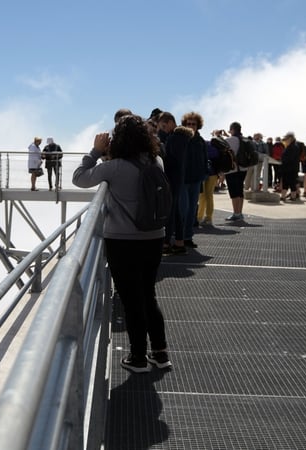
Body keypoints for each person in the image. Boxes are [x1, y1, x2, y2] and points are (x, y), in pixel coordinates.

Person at [72, 113, 171, 373]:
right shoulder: (157, 161)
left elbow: (80, 178)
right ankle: (160, 353)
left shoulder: (113, 168)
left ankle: (138, 357)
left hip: (122, 241)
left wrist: (95, 151)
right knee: (148, 294)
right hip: (154, 236)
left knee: (130, 300)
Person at [157, 111, 191, 255]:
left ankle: (166, 244)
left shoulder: (175, 138)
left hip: (172, 178)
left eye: (165, 126)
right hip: (178, 178)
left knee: (170, 211)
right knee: (176, 210)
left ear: (171, 122)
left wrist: (161, 152)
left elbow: (172, 160)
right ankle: (179, 241)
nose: (164, 129)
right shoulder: (182, 137)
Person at [181, 112, 208, 248]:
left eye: (194, 124)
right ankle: (180, 236)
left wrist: (204, 173)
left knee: (192, 210)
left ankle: (188, 237)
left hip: (196, 179)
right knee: (184, 209)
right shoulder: (180, 139)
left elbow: (204, 158)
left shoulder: (200, 141)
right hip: (183, 180)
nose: (191, 126)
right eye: (189, 124)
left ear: (198, 126)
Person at [222, 122, 247, 221]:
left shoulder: (229, 140)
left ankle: (236, 213)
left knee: (234, 193)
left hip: (233, 169)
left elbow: (221, 145)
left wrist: (218, 135)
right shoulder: (244, 140)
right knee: (240, 191)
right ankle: (240, 213)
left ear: (232, 129)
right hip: (243, 169)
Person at [198, 137, 220, 226]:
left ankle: (199, 217)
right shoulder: (213, 148)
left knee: (202, 196)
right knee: (209, 195)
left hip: (203, 173)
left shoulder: (199, 147)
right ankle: (208, 218)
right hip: (214, 174)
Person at [280, 131, 302, 201]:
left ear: (290, 138)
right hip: (287, 168)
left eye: (287, 138)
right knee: (285, 183)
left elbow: (291, 158)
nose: (285, 140)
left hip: (291, 169)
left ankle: (293, 196)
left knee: (292, 183)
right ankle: (283, 196)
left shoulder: (294, 147)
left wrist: (283, 161)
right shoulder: (289, 146)